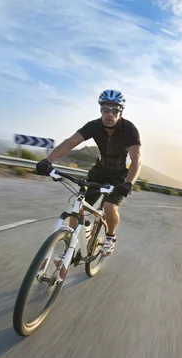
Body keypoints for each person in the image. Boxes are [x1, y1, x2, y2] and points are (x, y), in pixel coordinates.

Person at [35, 89, 142, 257]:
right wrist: (48, 161)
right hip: (100, 170)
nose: (109, 114)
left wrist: (128, 183)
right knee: (78, 206)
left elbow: (136, 159)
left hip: (121, 174)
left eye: (114, 110)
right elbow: (70, 143)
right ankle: (70, 244)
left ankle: (110, 237)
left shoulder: (129, 129)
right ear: (100, 110)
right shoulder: (94, 126)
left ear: (121, 111)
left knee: (109, 207)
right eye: (105, 109)